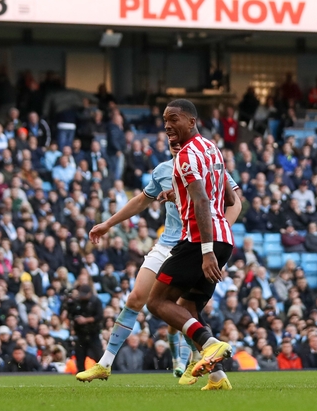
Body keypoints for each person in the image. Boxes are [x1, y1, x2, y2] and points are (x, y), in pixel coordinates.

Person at [76, 136, 241, 390]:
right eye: (170, 137)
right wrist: (109, 223)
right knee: (135, 299)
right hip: (167, 244)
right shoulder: (163, 170)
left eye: (177, 136)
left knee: (182, 308)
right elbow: (141, 200)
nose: (174, 141)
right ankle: (105, 363)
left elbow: (234, 201)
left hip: (195, 243)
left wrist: (216, 232)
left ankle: (205, 362)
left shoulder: (205, 162)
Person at [145, 99, 237, 382]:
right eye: (165, 119)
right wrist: (178, 195)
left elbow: (201, 199)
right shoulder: (212, 149)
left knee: (157, 302)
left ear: (191, 121)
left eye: (174, 119)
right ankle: (217, 377)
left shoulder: (185, 156)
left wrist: (206, 252)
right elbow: (230, 198)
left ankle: (210, 345)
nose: (167, 125)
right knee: (188, 307)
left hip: (200, 241)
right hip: (224, 239)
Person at [65, 284, 103, 373]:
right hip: (80, 333)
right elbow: (71, 315)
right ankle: (81, 373)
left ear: (90, 293)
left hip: (93, 332)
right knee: (80, 355)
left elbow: (99, 316)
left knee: (98, 354)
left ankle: (103, 371)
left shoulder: (96, 301)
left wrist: (86, 320)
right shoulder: (77, 302)